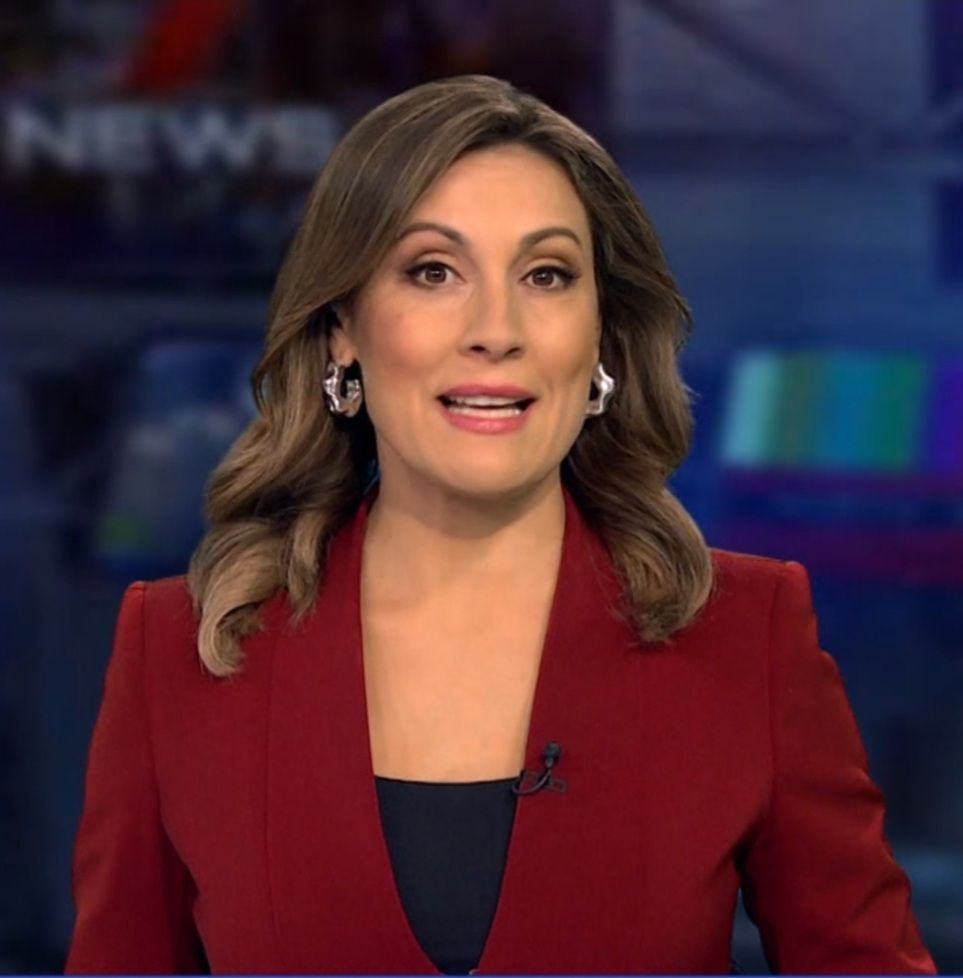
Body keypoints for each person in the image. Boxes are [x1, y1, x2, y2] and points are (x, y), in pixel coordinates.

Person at [65, 74, 936, 976]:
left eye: (545, 275)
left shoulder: (746, 636)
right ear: (341, 331)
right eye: (432, 272)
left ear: (600, 338)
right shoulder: (181, 653)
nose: (496, 329)